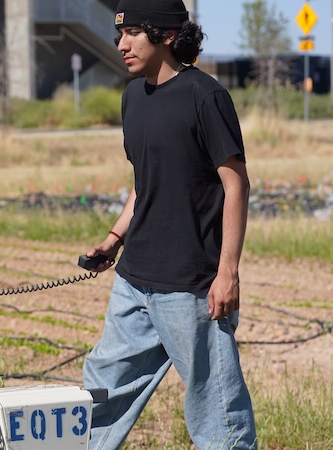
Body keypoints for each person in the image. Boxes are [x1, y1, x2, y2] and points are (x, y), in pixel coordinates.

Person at [81, 0, 257, 448]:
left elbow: (236, 185)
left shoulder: (206, 95)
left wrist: (227, 273)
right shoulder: (131, 98)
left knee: (216, 408)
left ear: (166, 35)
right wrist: (113, 240)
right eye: (118, 34)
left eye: (132, 34)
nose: (121, 45)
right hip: (134, 281)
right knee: (101, 392)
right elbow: (144, 185)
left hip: (191, 287)